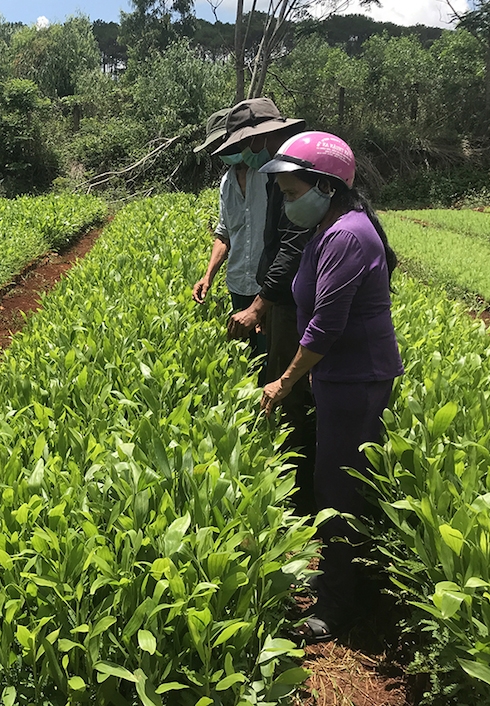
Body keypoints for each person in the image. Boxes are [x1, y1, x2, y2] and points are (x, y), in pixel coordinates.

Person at [259, 131, 403, 643]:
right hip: (341, 378)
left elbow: (326, 326)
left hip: (355, 378)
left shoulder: (346, 235)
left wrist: (282, 381)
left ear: (325, 185)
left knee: (340, 490)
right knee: (334, 481)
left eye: (293, 192)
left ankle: (341, 602)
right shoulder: (331, 227)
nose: (287, 201)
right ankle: (337, 579)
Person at [211, 98, 316, 512]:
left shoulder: (290, 171)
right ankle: (288, 470)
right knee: (276, 378)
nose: (250, 150)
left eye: (252, 141)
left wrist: (260, 304)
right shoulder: (272, 169)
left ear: (267, 134)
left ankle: (300, 491)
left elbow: (290, 246)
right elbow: (257, 241)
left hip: (291, 297)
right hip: (275, 295)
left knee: (291, 388)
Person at [191, 105, 271, 360]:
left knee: (270, 355)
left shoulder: (270, 174)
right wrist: (208, 276)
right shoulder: (226, 183)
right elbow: (224, 234)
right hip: (238, 283)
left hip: (269, 286)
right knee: (246, 358)